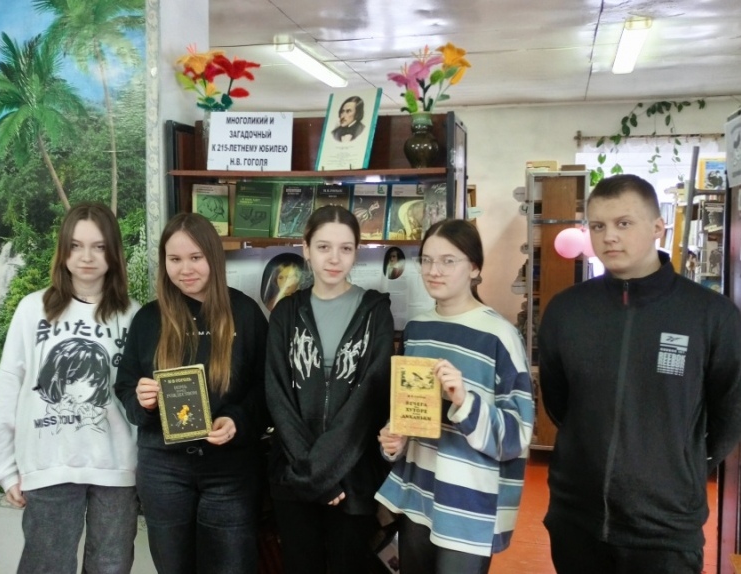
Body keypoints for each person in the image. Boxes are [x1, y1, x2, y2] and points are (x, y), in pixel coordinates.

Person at [538, 174, 741, 574]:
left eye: (624, 223)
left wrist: (683, 465)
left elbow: (730, 411)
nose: (609, 236)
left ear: (657, 227)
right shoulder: (567, 311)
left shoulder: (709, 315)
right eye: (598, 226)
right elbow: (559, 404)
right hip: (576, 519)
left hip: (665, 528)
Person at [0, 202, 140, 574]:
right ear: (63, 250)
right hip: (49, 465)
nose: (86, 257)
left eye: (99, 247)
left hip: (117, 469)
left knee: (111, 566)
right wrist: (4, 469)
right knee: (46, 566)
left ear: (113, 252)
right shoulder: (32, 309)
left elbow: (138, 397)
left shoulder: (133, 314)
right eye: (76, 246)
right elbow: (8, 386)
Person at [375, 219, 534, 574]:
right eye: (427, 260)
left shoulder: (499, 335)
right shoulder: (417, 328)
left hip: (469, 505)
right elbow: (409, 409)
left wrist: (465, 400)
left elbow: (518, 434)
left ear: (474, 268)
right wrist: (395, 438)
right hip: (418, 496)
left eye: (449, 261)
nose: (435, 271)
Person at [114, 212, 268, 574]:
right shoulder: (148, 319)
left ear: (213, 257)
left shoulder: (245, 313)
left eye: (195, 257)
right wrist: (142, 401)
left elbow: (267, 388)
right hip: (163, 468)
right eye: (175, 259)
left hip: (230, 470)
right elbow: (125, 386)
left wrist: (237, 420)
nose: (185, 269)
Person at [265, 205, 395, 574]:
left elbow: (369, 399)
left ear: (357, 251)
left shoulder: (375, 312)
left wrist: (324, 472)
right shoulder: (286, 313)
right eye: (323, 247)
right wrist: (312, 475)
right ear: (306, 249)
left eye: (345, 248)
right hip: (294, 474)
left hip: (353, 475)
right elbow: (277, 396)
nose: (334, 259)